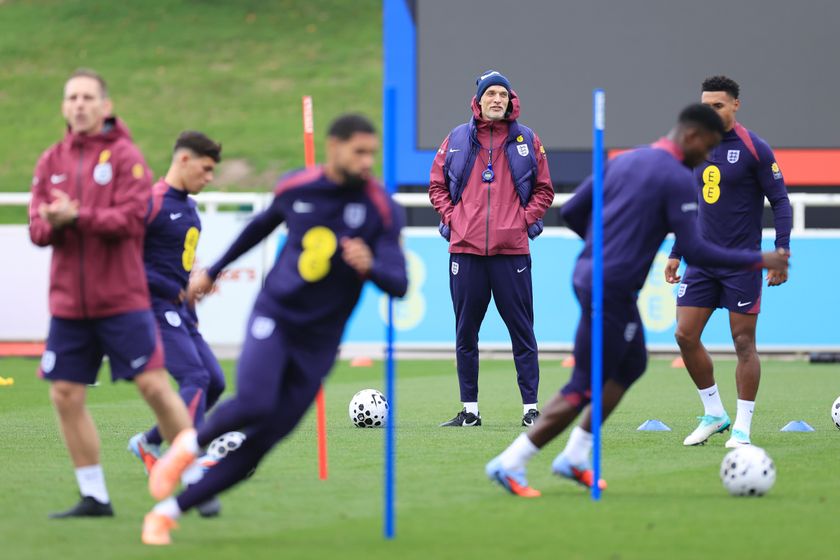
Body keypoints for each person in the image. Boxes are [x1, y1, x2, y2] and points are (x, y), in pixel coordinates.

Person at [485, 104, 789, 497]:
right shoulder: (678, 178)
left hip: (591, 277)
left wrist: (602, 246)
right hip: (610, 288)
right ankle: (511, 462)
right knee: (584, 384)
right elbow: (698, 251)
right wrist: (758, 258)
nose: (707, 158)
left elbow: (574, 210)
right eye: (708, 148)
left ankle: (575, 456)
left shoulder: (623, 160)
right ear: (693, 137)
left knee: (631, 364)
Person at [140, 114, 408, 545]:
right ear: (333, 148)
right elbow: (260, 226)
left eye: (371, 153)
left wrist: (371, 266)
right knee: (254, 401)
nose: (366, 162)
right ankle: (184, 449)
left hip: (320, 342)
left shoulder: (381, 207)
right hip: (276, 315)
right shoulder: (296, 186)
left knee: (263, 442)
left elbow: (399, 283)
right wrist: (215, 271)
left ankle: (167, 514)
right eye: (358, 152)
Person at [28, 69, 193, 517]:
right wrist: (53, 222)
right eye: (72, 97)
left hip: (121, 298)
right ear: (64, 107)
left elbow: (129, 221)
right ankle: (94, 495)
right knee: (64, 393)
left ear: (105, 106)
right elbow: (37, 230)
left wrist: (76, 218)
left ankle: (196, 478)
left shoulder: (126, 158)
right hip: (69, 304)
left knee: (155, 387)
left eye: (87, 97)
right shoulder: (50, 161)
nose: (79, 104)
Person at [664, 76, 792, 448]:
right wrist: (676, 253)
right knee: (684, 334)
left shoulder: (755, 148)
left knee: (743, 342)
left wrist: (781, 253)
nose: (711, 111)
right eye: (706, 105)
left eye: (718, 105)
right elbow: (691, 206)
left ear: (735, 105)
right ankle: (714, 413)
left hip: (742, 262)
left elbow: (781, 203)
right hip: (701, 261)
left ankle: (743, 428)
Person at [429, 70, 554, 428]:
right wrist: (455, 219)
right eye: (490, 94)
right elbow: (436, 184)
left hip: (511, 252)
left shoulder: (528, 140)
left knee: (522, 332)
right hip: (465, 251)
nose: (497, 99)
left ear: (511, 100)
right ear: (478, 101)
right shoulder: (455, 139)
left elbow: (545, 189)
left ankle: (531, 409)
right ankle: (470, 410)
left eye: (503, 94)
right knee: (465, 332)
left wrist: (521, 221)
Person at [127, 131, 227, 517]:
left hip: (180, 310)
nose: (209, 177)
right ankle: (191, 466)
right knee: (196, 379)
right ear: (183, 160)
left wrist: (191, 289)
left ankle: (149, 443)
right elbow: (128, 260)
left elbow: (175, 265)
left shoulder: (190, 210)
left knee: (215, 382)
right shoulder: (150, 204)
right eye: (205, 169)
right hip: (151, 308)